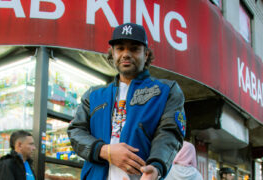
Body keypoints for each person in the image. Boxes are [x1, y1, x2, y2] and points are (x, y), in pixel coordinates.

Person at [67, 22, 186, 180]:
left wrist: (156, 167)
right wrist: (105, 151)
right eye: (120, 48)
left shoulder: (166, 91)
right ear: (113, 53)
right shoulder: (93, 95)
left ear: (146, 54)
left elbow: (169, 134)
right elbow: (76, 131)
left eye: (134, 48)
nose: (126, 54)